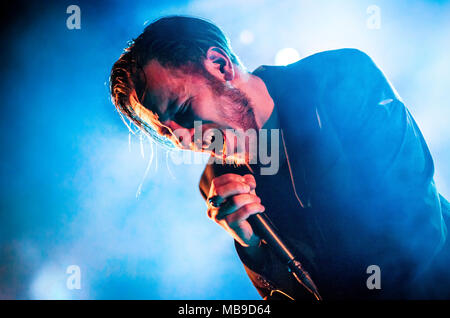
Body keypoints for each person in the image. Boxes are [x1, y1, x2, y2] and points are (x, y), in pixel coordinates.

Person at [109, 15, 450, 299]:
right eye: (167, 134)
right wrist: (252, 247)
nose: (183, 139)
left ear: (220, 65)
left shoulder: (339, 78)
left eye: (183, 109)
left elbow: (414, 221)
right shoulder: (217, 182)